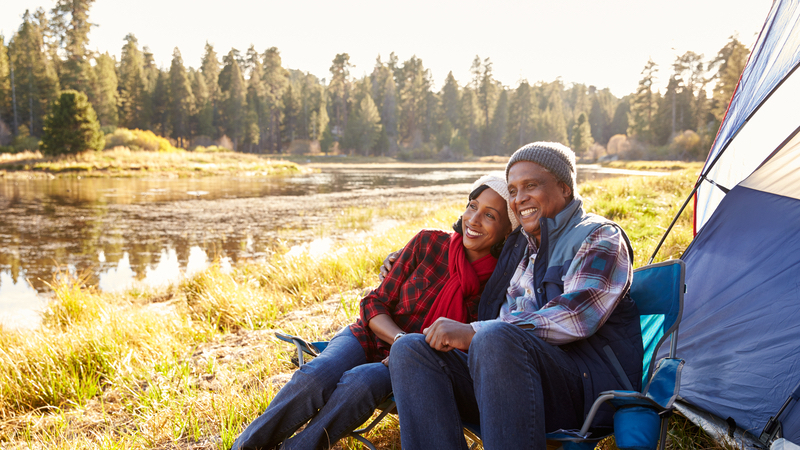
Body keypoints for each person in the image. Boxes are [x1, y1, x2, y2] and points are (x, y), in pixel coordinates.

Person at [231, 175, 518, 450]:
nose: (474, 220)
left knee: (359, 385)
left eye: (490, 215)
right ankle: (245, 446)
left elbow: (465, 349)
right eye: (472, 206)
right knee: (315, 376)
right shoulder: (428, 242)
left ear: (508, 230)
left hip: (414, 368)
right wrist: (404, 341)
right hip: (371, 334)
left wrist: (410, 357)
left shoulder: (498, 286)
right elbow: (375, 303)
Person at [388, 142, 643, 450]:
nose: (519, 199)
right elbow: (501, 301)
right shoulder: (526, 248)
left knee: (495, 336)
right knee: (411, 349)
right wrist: (403, 260)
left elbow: (577, 316)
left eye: (531, 186)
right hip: (514, 384)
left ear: (564, 188)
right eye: (513, 190)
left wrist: (475, 332)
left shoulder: (599, 236)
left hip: (586, 390)